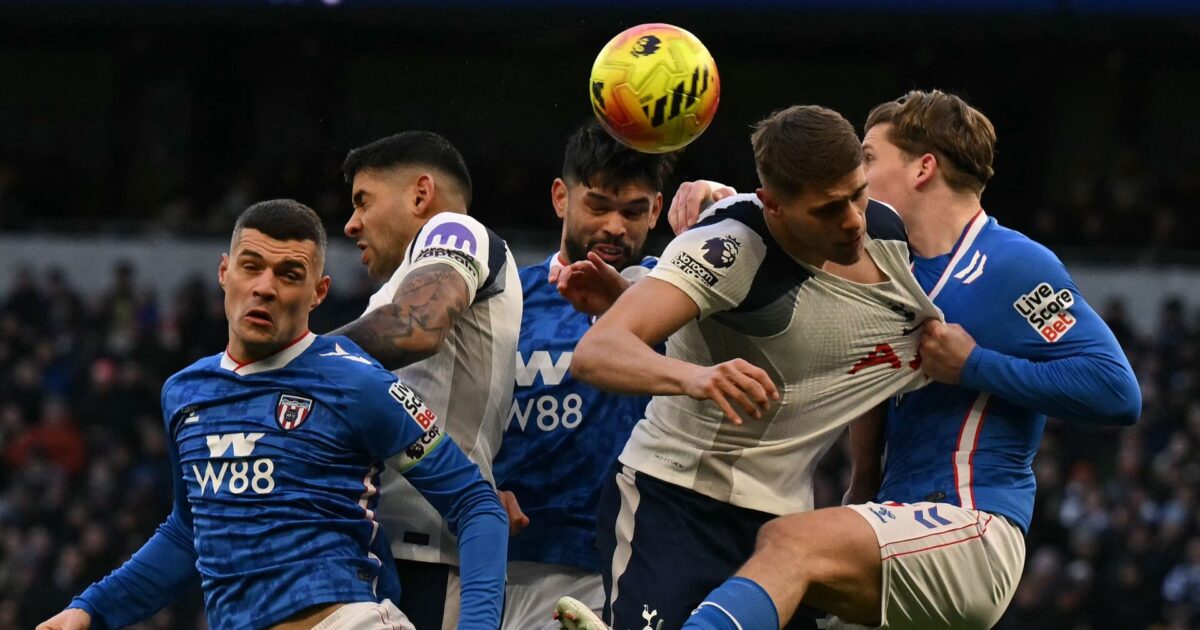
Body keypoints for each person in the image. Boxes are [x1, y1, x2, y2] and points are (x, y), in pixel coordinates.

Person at [561, 90, 1141, 630]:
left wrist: (974, 365)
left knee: (790, 546)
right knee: (771, 569)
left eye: (867, 159)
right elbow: (840, 353)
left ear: (923, 168)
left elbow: (1116, 390)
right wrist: (717, 208)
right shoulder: (889, 265)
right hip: (884, 524)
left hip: (969, 521)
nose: (855, 192)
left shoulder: (1010, 265)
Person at [553, 104, 944, 630]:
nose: (852, 220)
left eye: (857, 193)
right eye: (828, 209)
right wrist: (697, 379)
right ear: (773, 205)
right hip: (674, 506)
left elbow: (867, 358)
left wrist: (864, 478)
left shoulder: (887, 234)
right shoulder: (729, 249)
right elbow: (597, 352)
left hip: (785, 529)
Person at [37, 200, 509, 630]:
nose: (265, 287)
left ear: (318, 292)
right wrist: (91, 609)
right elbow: (189, 532)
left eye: (289, 274)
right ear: (225, 272)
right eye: (251, 266)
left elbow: (476, 504)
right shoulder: (185, 392)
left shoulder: (356, 381)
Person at [329, 131, 523, 630]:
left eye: (362, 201)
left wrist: (296, 361)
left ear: (420, 194)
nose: (351, 223)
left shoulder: (456, 230)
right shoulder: (394, 288)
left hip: (429, 555)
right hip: (385, 552)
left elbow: (420, 326)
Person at [491, 120, 676, 630]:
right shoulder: (503, 301)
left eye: (634, 211)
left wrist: (724, 209)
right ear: (560, 198)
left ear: (656, 210)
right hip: (492, 562)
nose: (616, 226)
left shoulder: (680, 298)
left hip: (618, 568)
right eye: (598, 206)